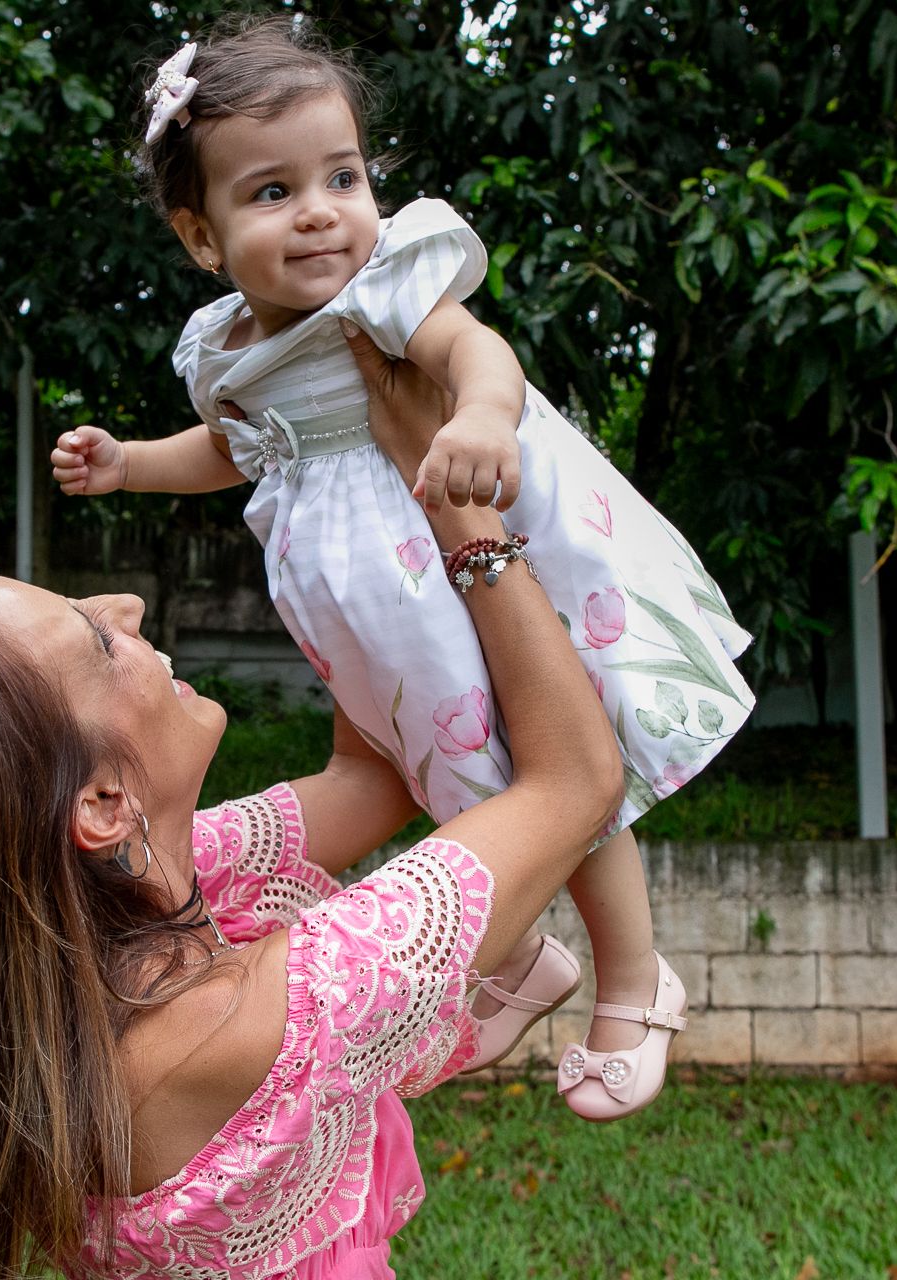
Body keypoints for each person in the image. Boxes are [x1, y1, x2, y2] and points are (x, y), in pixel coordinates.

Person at [0, 323, 625, 1279]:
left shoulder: (91, 937)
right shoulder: (235, 1027)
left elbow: (372, 780)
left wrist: (347, 491)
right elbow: (574, 782)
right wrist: (463, 517)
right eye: (95, 642)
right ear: (103, 803)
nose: (127, 608)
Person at [51, 15, 754, 1119]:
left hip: (452, 528)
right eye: (272, 192)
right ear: (202, 235)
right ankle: (521, 958)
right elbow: (237, 449)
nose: (323, 209)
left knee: (559, 764)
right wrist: (130, 463)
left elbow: (477, 351)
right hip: (372, 602)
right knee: (456, 773)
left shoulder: (385, 283)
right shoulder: (223, 346)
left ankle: (631, 974)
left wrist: (480, 417)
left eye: (343, 173)